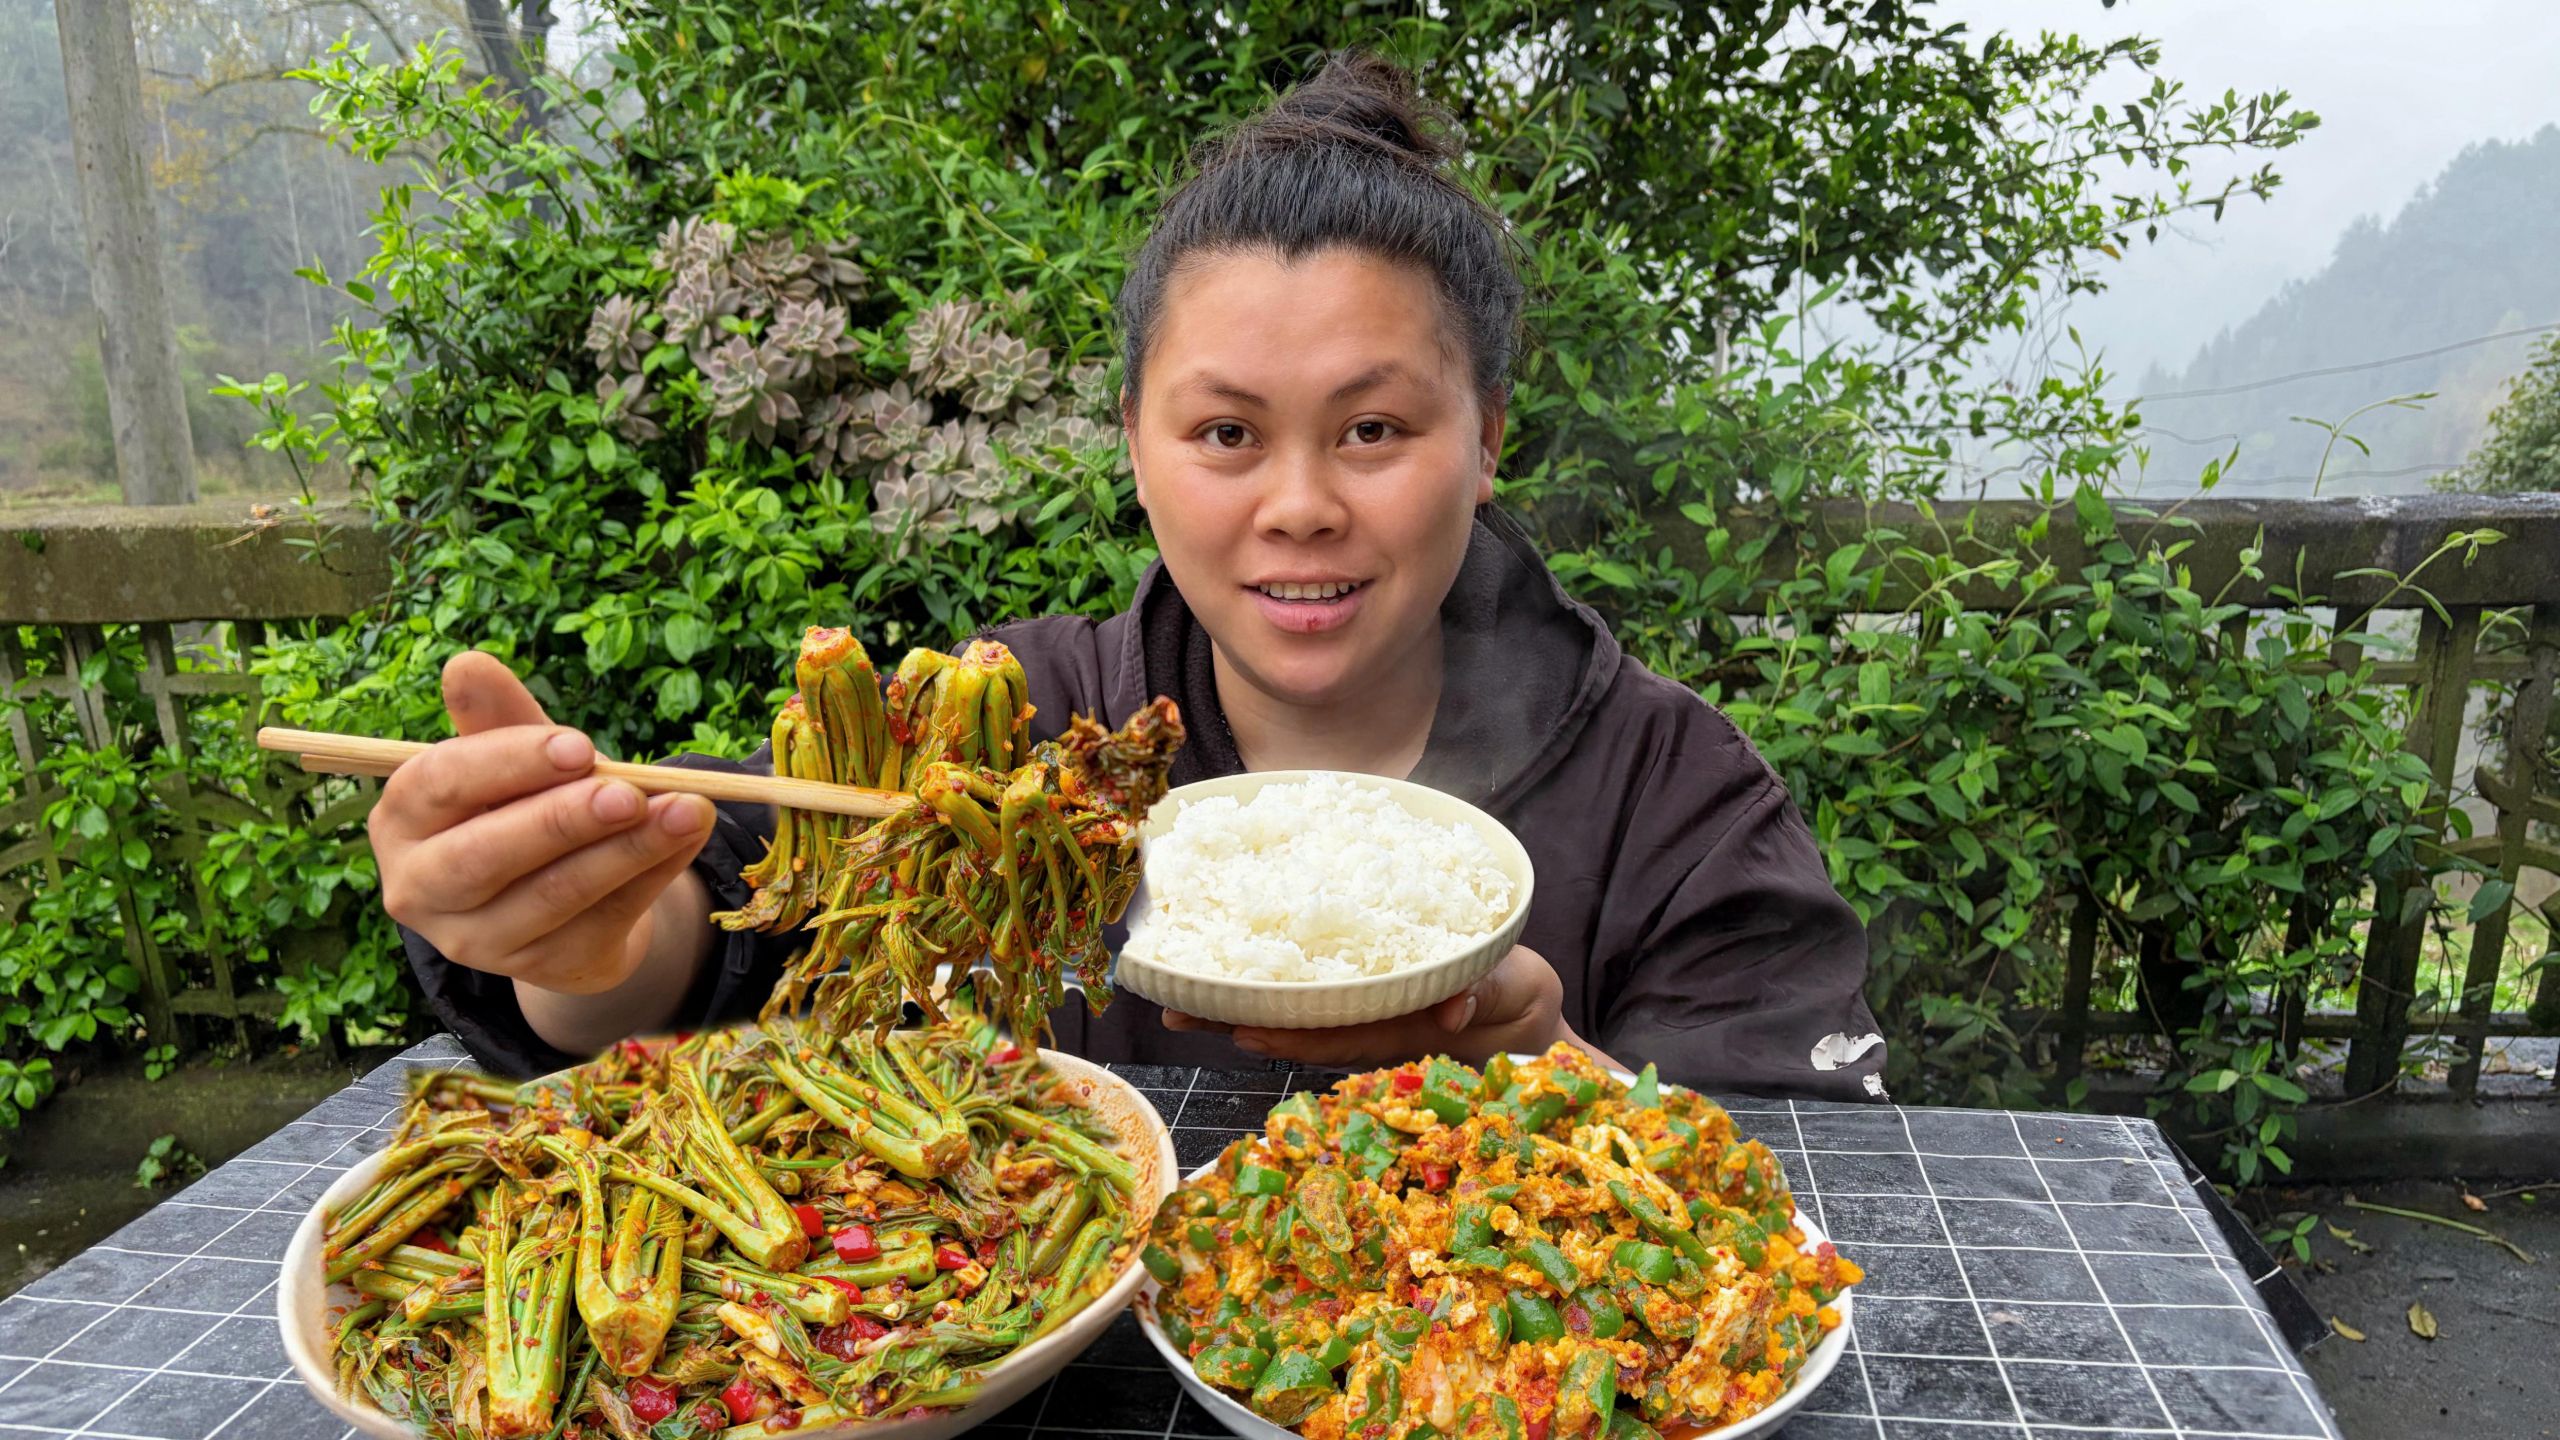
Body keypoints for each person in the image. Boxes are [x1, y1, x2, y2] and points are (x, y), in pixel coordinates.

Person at [376, 51, 1887, 1101]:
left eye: (1373, 430)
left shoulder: (1678, 797)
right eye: (1226, 433)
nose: (1299, 507)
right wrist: (586, 944)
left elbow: (1823, 1198)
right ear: (1135, 447)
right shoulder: (1003, 728)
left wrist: (1546, 1070)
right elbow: (733, 935)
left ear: (1486, 440)